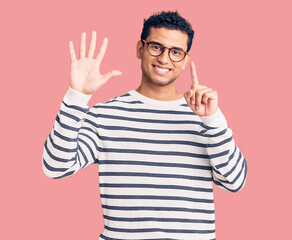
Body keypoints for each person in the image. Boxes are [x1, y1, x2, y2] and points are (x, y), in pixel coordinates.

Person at [42, 11, 247, 240]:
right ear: (140, 49)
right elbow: (55, 167)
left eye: (176, 52)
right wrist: (76, 96)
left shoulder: (205, 117)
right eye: (156, 47)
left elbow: (235, 182)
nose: (164, 59)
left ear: (185, 59)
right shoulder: (105, 115)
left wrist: (214, 121)